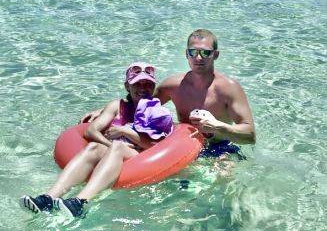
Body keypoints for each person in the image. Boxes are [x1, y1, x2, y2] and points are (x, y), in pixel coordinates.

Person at [20, 62, 173, 217]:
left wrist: (123, 131)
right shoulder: (117, 106)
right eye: (137, 84)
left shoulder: (158, 112)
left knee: (118, 147)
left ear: (153, 87)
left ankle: (80, 202)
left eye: (147, 84)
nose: (142, 88)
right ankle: (48, 198)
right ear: (127, 86)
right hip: (115, 152)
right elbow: (91, 131)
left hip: (140, 157)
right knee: (94, 147)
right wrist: (110, 147)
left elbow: (156, 146)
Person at [82, 29, 255, 159]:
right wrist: (104, 111)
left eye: (206, 52)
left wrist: (217, 126)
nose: (199, 58)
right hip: (184, 148)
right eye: (193, 52)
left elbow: (250, 135)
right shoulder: (174, 85)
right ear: (186, 54)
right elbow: (139, 102)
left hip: (220, 148)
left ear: (215, 55)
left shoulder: (229, 89)